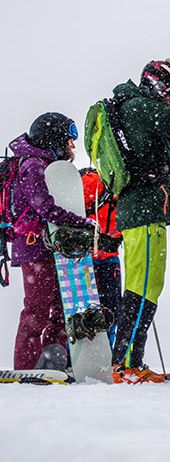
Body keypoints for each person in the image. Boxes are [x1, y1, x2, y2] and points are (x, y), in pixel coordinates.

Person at [110, 59, 170, 384]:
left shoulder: (128, 105)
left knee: (142, 283)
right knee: (144, 285)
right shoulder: (140, 107)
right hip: (144, 209)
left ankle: (128, 359)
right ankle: (126, 362)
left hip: (139, 209)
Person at [9, 113, 92, 369]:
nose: (73, 146)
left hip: (51, 246)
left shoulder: (48, 166)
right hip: (34, 247)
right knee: (37, 308)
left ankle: (56, 359)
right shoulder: (32, 165)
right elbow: (43, 206)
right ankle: (26, 365)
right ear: (54, 139)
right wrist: (78, 222)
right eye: (69, 139)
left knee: (60, 307)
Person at [80, 167, 122, 347]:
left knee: (82, 309)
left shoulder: (89, 182)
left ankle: (73, 355)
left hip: (87, 259)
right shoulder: (103, 183)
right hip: (103, 259)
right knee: (110, 310)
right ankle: (107, 353)